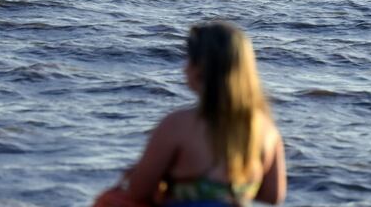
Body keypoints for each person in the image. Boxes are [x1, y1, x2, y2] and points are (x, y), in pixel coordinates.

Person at [114, 21, 287, 206]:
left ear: (199, 68)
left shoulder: (178, 125)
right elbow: (273, 196)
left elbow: (138, 191)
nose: (184, 68)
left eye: (188, 60)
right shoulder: (267, 130)